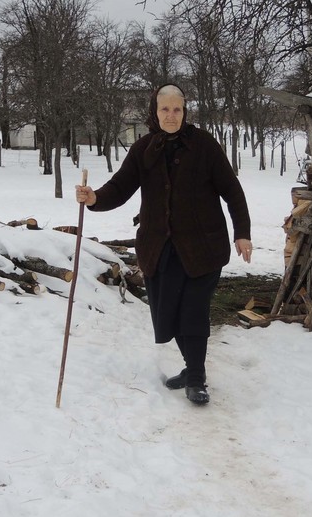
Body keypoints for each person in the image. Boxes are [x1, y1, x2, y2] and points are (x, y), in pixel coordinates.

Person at [75, 84, 252, 405]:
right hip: (160, 249)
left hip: (203, 249)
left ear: (185, 112)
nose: (171, 115)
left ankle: (196, 379)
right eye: (164, 109)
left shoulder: (204, 146)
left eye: (177, 110)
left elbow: (232, 190)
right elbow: (120, 186)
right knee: (170, 314)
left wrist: (242, 232)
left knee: (193, 311)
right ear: (154, 113)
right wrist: (94, 198)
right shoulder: (144, 149)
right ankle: (191, 368)